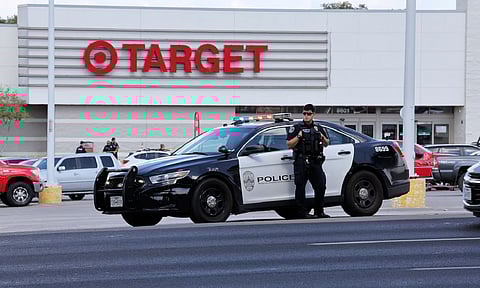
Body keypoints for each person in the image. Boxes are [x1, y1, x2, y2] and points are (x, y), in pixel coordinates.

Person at [287, 104, 330, 218]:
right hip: (301, 160)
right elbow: (289, 144)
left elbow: (327, 143)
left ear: (313, 114)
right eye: (304, 113)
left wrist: (321, 136)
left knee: (321, 186)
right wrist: (298, 137)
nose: (306, 116)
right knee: (300, 186)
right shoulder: (297, 128)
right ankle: (302, 212)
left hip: (315, 161)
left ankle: (319, 211)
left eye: (309, 114)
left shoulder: (318, 128)